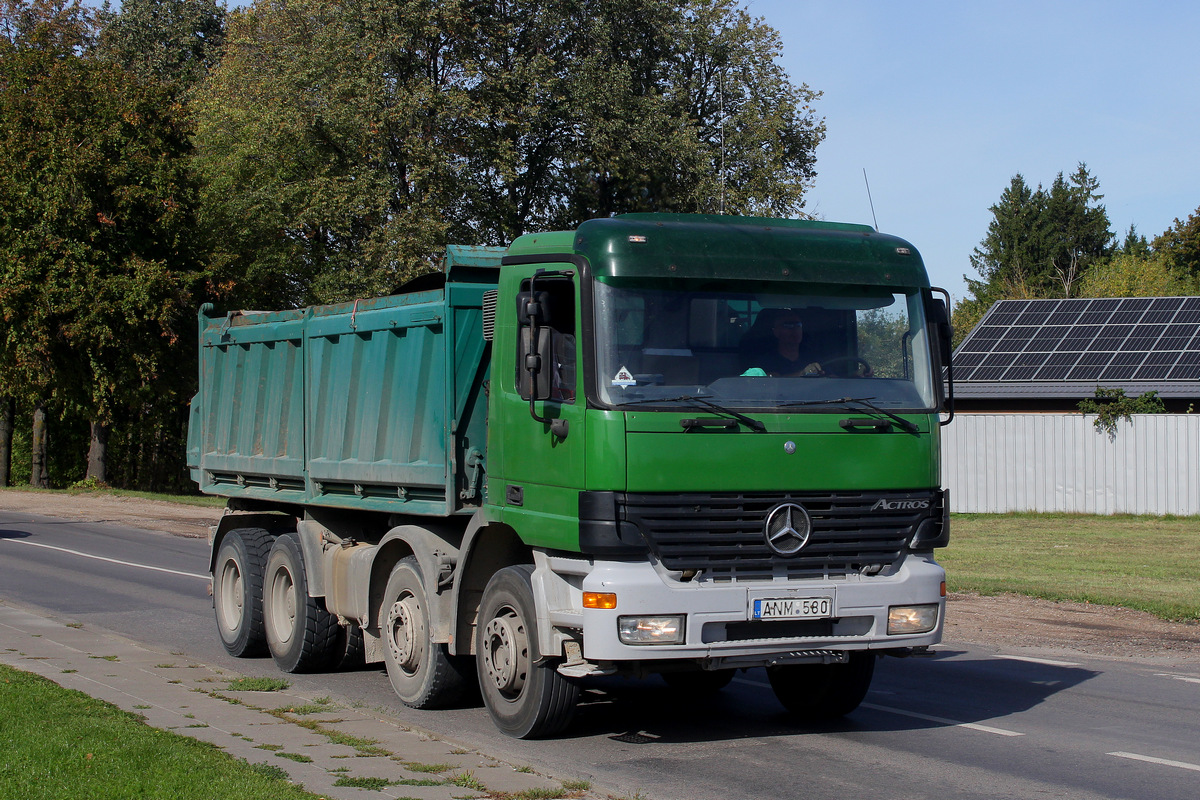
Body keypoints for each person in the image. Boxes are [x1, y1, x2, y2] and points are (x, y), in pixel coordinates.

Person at [739, 308, 825, 377]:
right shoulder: (764, 362)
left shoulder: (813, 357)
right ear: (776, 331)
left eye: (798, 325)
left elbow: (832, 378)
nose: (794, 330)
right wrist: (802, 374)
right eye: (788, 325)